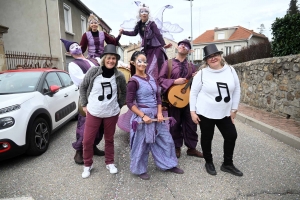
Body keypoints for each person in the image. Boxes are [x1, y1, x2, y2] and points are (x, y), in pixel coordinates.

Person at [127, 51, 184, 180]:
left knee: (166, 139)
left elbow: (158, 97)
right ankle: (139, 169)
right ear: (133, 63)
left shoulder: (151, 78)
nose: (143, 64)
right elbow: (130, 103)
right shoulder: (133, 81)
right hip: (143, 116)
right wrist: (143, 116)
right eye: (139, 61)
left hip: (156, 116)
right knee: (141, 144)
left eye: (145, 61)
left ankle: (168, 164)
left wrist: (159, 112)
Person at [189, 44, 243, 176]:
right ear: (206, 60)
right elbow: (193, 93)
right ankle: (209, 162)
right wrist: (192, 112)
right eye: (209, 57)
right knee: (207, 138)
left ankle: (227, 164)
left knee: (231, 135)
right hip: (205, 112)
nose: (213, 58)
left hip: (224, 112)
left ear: (220, 56)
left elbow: (236, 90)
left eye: (215, 55)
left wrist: (234, 110)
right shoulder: (201, 74)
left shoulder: (230, 70)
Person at [117, 3, 171, 133]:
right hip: (146, 50)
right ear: (140, 14)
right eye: (142, 12)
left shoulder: (152, 24)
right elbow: (134, 33)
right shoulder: (139, 25)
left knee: (152, 72)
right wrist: (123, 32)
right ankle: (142, 93)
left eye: (146, 13)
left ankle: (158, 95)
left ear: (148, 14)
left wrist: (163, 45)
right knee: (143, 70)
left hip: (156, 50)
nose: (144, 14)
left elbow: (157, 35)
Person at [80, 44, 126, 178]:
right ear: (104, 59)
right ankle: (87, 164)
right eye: (109, 58)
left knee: (109, 139)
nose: (111, 61)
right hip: (94, 112)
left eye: (114, 58)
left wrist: (119, 105)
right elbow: (83, 87)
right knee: (87, 141)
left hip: (111, 113)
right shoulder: (94, 71)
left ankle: (110, 162)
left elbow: (124, 91)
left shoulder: (119, 75)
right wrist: (84, 104)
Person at [60, 38, 105, 165]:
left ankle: (93, 146)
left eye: (76, 45)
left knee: (99, 124)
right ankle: (79, 151)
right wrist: (96, 74)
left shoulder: (93, 60)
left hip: (100, 95)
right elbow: (80, 81)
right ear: (69, 53)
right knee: (86, 125)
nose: (75, 48)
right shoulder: (73, 64)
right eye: (72, 47)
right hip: (87, 96)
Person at [158, 39, 203, 159]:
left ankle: (191, 148)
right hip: (174, 100)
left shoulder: (192, 66)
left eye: (186, 46)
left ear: (189, 51)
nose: (183, 46)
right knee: (175, 124)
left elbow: (195, 85)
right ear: (177, 47)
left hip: (188, 100)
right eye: (181, 44)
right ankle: (176, 147)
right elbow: (160, 80)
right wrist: (174, 81)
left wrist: (196, 77)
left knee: (191, 124)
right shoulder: (168, 63)